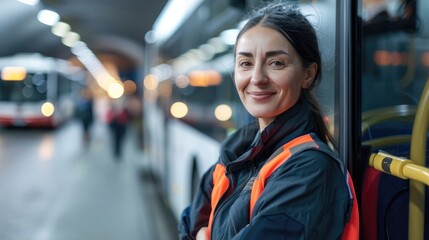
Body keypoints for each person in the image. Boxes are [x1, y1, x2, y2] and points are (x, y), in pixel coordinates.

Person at [178, 2, 359, 240]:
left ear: (308, 74)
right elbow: (188, 222)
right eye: (245, 63)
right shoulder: (238, 150)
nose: (257, 78)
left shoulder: (310, 169)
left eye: (276, 63)